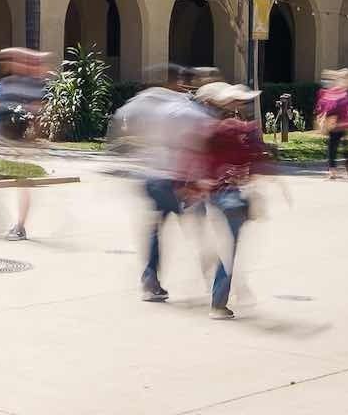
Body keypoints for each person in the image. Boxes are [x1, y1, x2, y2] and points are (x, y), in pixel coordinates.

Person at [109, 64, 211, 303]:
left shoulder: (139, 102)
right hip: (175, 176)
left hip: (150, 174)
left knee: (158, 225)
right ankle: (214, 274)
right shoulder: (180, 104)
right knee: (197, 222)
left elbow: (119, 122)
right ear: (175, 81)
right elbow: (202, 131)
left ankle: (150, 278)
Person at [191, 82, 269, 320]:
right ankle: (218, 303)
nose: (242, 106)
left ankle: (220, 281)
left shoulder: (208, 130)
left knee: (225, 245)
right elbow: (258, 159)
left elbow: (198, 160)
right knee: (230, 249)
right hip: (231, 196)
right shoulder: (242, 129)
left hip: (213, 194)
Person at [0, 47, 49, 241]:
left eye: (13, 59)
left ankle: (20, 225)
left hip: (22, 142)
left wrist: (32, 136)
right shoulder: (7, 83)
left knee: (22, 184)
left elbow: (39, 113)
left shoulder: (37, 84)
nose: (9, 63)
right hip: (2, 140)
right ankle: (4, 218)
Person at [313, 69, 348, 180]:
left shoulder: (340, 92)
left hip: (337, 123)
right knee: (344, 147)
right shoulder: (347, 93)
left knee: (334, 147)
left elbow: (328, 105)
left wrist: (323, 116)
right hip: (342, 123)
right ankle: (346, 171)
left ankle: (335, 171)